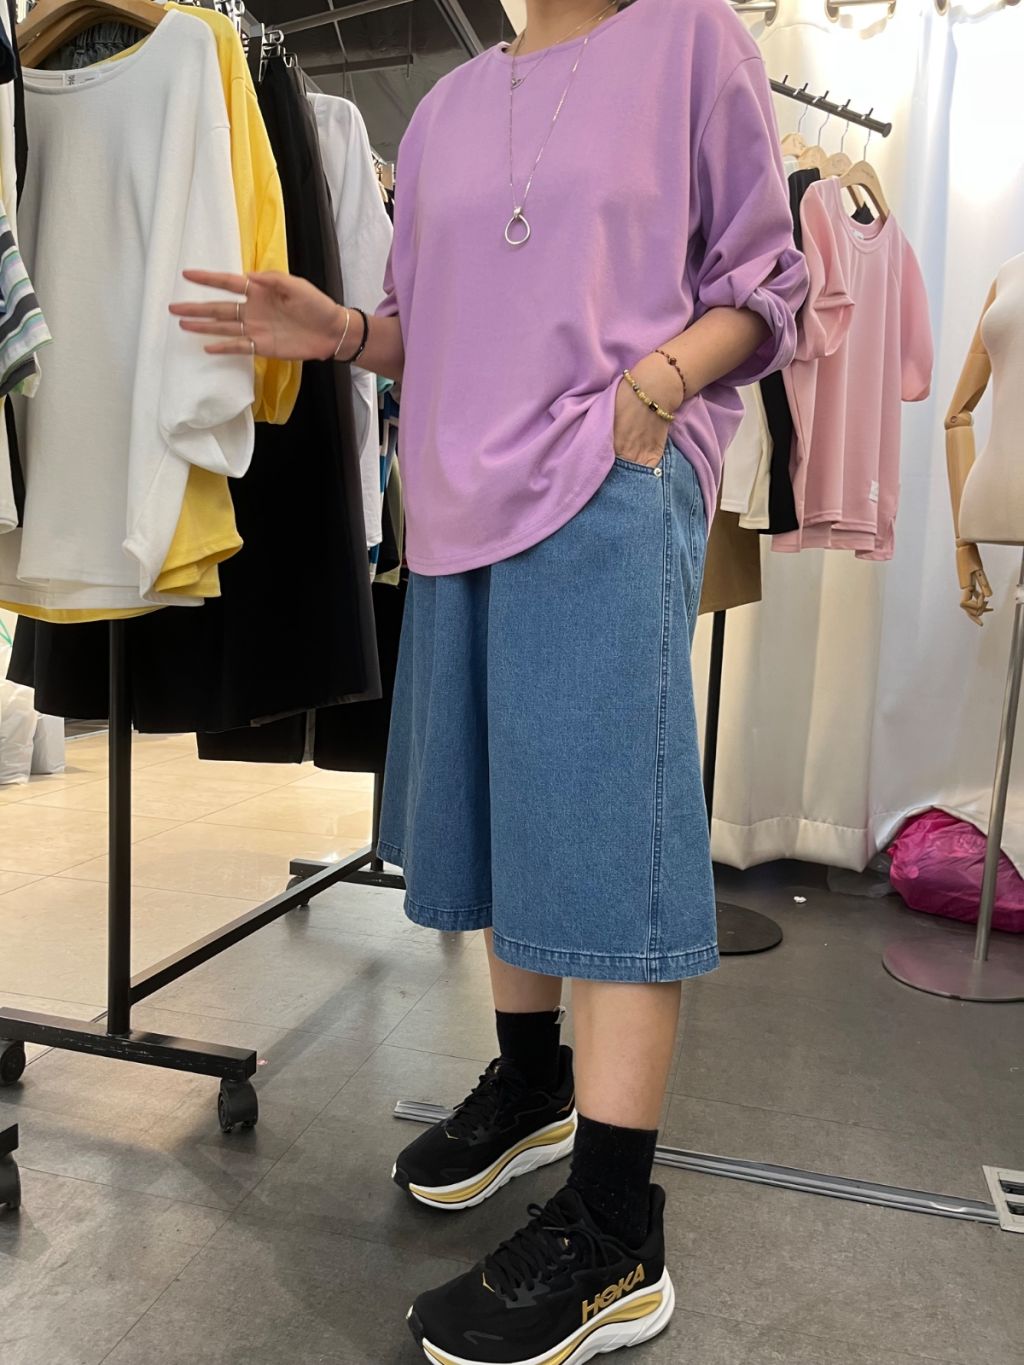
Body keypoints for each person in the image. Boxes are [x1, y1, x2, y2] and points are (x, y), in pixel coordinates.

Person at [172, 1, 807, 1359]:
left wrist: (658, 383)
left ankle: (617, 1233)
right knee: (509, 822)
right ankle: (532, 1086)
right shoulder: (451, 109)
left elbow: (764, 281)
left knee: (606, 848)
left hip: (608, 483)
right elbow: (436, 326)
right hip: (459, 508)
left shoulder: (693, 40)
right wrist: (344, 329)